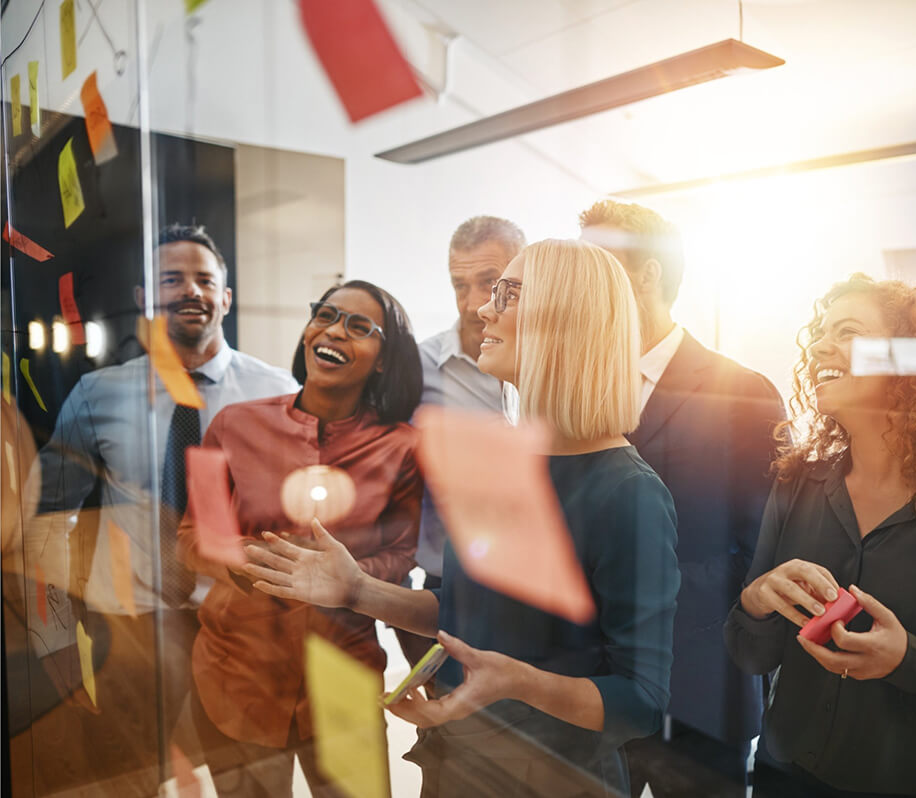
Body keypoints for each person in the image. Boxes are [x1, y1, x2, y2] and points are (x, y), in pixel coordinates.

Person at [244, 239, 680, 797]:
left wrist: (518, 683)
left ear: (566, 320)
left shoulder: (628, 493)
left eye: (509, 294)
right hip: (460, 764)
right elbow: (467, 612)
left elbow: (641, 702)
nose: (483, 309)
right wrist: (357, 590)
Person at [27, 223, 298, 795]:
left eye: (204, 280)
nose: (189, 291)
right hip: (135, 629)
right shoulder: (98, 394)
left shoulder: (278, 394)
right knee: (128, 780)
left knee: (254, 784)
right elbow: (46, 519)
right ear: (143, 299)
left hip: (243, 625)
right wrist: (52, 632)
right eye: (170, 279)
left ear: (226, 297)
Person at [724, 274, 916, 797]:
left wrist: (908, 662)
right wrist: (756, 598)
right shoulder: (795, 484)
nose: (820, 347)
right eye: (821, 333)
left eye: (848, 331)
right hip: (781, 778)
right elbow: (753, 656)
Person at [175, 279, 424, 795]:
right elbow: (190, 535)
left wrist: (344, 578)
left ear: (382, 359)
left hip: (343, 681)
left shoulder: (403, 448)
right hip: (236, 674)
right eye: (325, 315)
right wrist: (241, 558)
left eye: (359, 327)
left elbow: (402, 555)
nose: (333, 331)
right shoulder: (230, 423)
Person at [579, 200, 784, 797]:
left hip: (699, 693)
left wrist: (632, 596)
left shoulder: (743, 392)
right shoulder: (573, 391)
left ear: (648, 276)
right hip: (587, 690)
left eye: (599, 261)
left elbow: (764, 550)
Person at [402, 216, 523, 664]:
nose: (473, 304)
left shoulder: (554, 366)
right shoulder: (419, 367)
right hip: (449, 591)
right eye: (459, 285)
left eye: (490, 282)